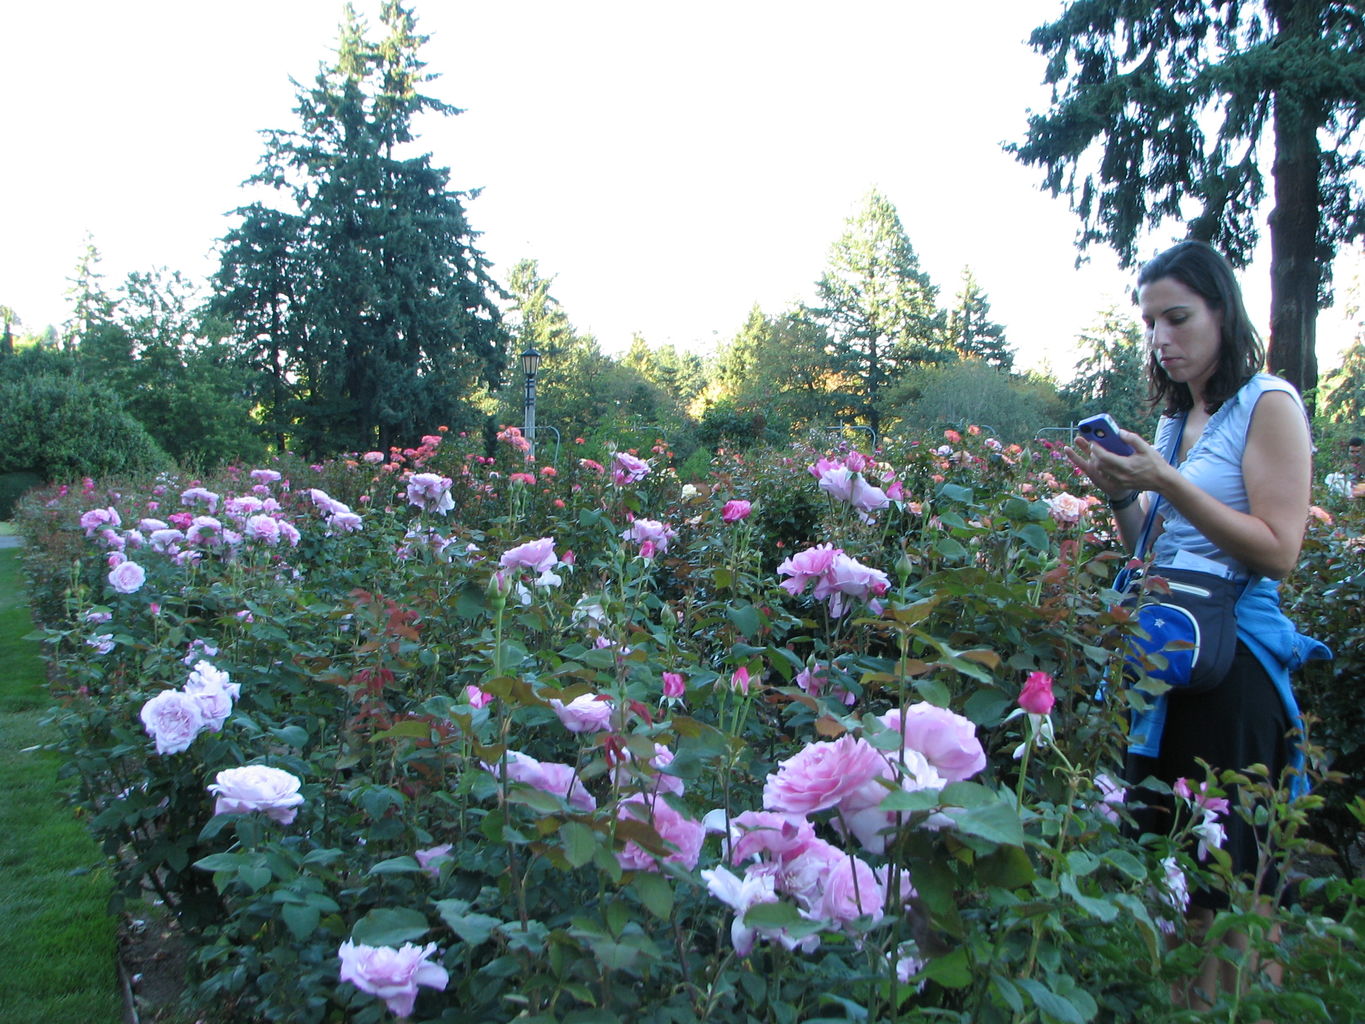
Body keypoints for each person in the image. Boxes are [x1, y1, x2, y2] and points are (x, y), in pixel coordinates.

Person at [1064, 239, 1330, 1009]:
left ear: (1221, 311)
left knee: (1234, 881)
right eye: (1149, 324)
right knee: (1182, 870)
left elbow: (1278, 551)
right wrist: (1122, 491)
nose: (1160, 339)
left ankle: (1236, 1006)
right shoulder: (1178, 419)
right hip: (1173, 656)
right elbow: (1152, 541)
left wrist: (1167, 481)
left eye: (1176, 318)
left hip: (1235, 665)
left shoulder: (1268, 404)